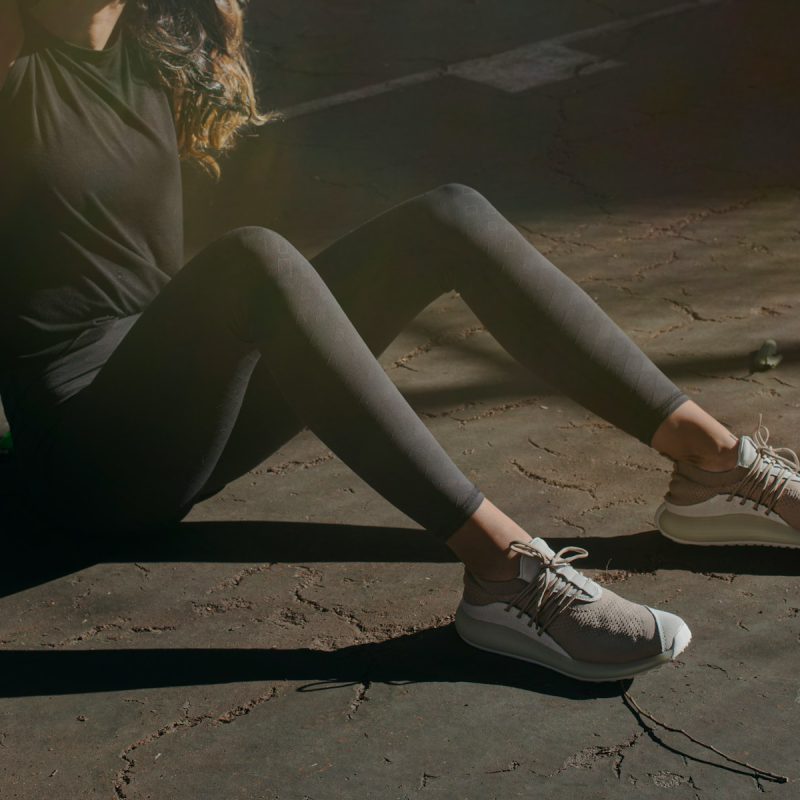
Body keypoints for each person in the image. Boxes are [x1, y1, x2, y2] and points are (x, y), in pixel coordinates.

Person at [1, 0, 797, 684]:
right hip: (86, 464)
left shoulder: (147, 41)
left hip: (175, 410)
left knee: (447, 217)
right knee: (255, 261)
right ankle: (504, 574)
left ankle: (711, 464)